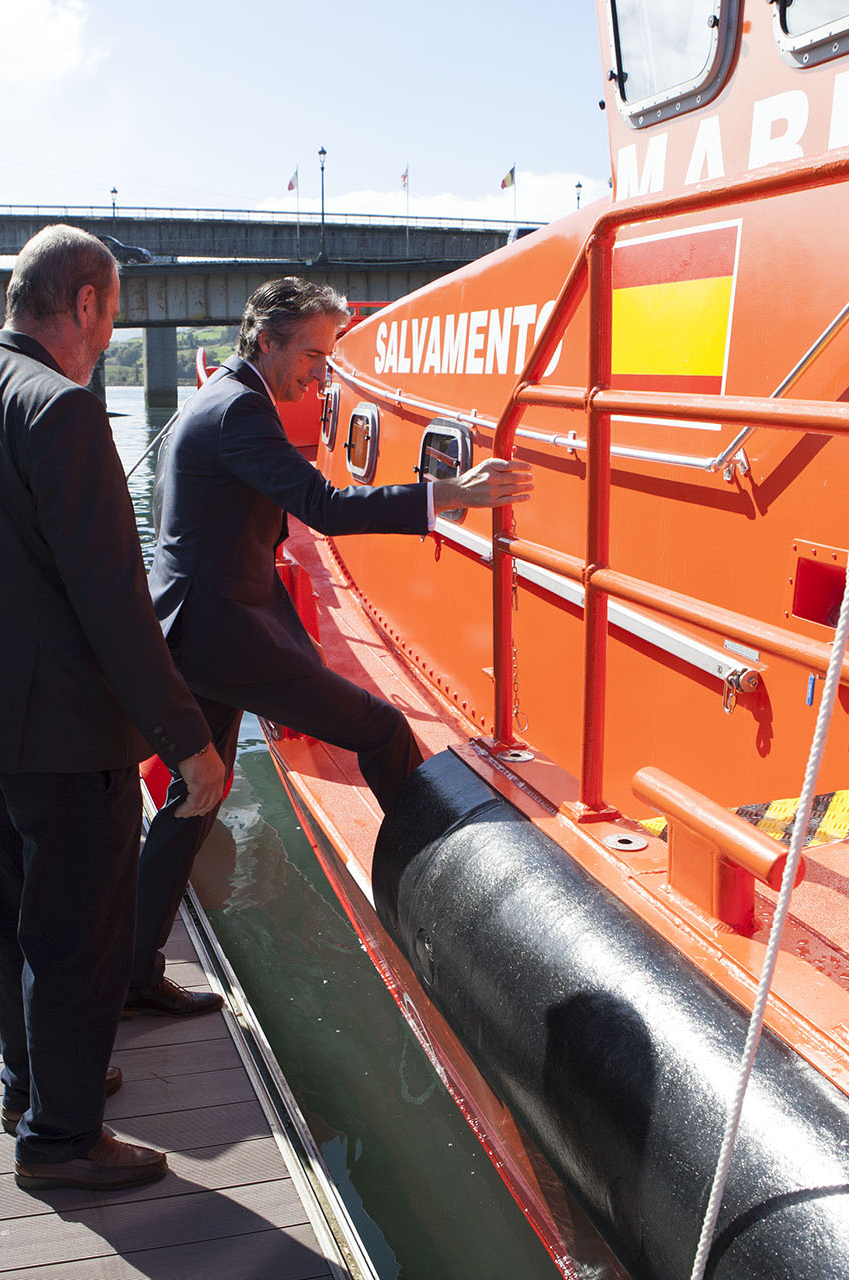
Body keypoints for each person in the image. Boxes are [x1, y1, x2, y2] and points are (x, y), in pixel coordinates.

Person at [0, 224, 227, 1192]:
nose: (109, 329)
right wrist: (189, 742)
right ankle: (60, 1136)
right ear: (84, 304)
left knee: (12, 917)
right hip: (60, 726)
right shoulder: (65, 410)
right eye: (112, 310)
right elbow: (113, 600)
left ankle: (35, 1078)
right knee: (80, 933)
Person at [128, 276, 532, 1015]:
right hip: (226, 636)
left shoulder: (220, 396)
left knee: (199, 793)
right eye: (313, 354)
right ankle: (439, 907)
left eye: (329, 356)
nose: (321, 372)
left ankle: (131, 969)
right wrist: (454, 495)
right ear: (267, 341)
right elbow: (322, 506)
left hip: (203, 628)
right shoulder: (242, 411)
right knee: (382, 730)